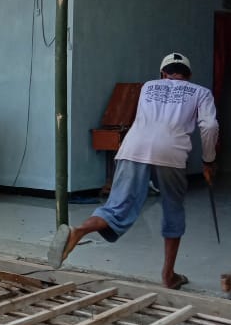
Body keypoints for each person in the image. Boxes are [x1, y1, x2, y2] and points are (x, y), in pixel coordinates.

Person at [48, 53, 218, 290]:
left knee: (117, 206)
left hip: (133, 147)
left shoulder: (148, 87)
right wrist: (208, 160)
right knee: (173, 211)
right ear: (188, 76)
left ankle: (79, 230)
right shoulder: (200, 92)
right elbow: (209, 126)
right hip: (171, 152)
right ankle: (169, 275)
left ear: (162, 74)